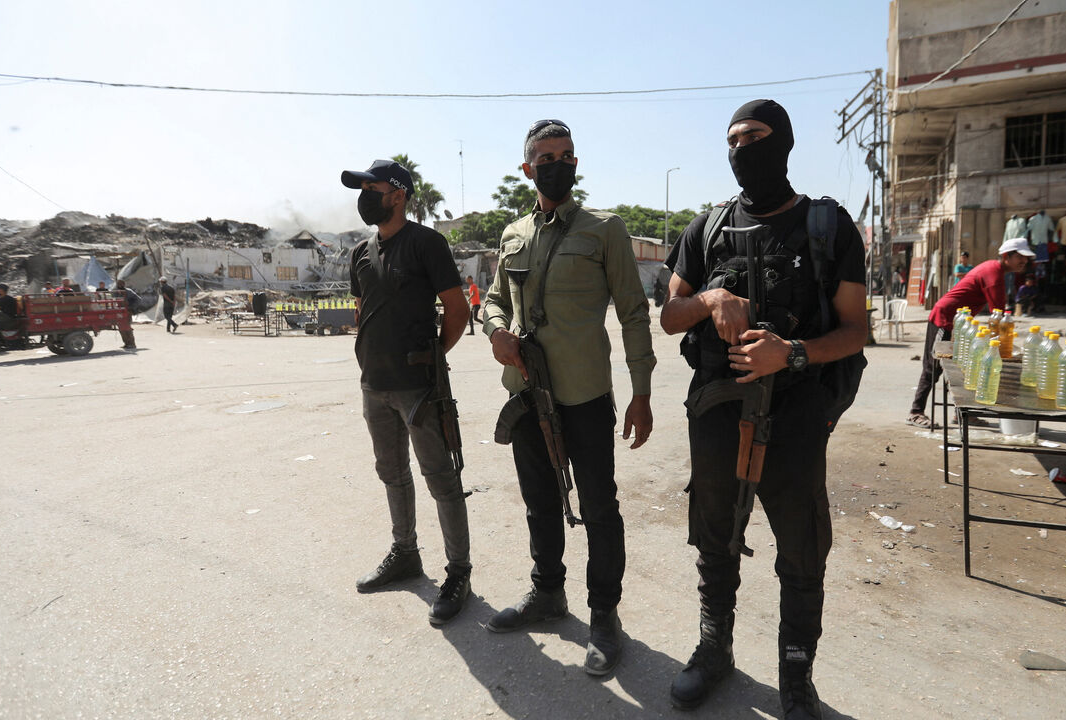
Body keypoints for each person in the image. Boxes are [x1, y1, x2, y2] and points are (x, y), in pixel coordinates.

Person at [660, 99, 867, 717]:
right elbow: (671, 316)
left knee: (802, 547)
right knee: (716, 537)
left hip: (798, 413)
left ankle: (796, 675)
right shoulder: (707, 228)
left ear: (785, 143)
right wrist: (712, 296)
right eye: (733, 139)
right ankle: (714, 649)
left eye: (755, 136)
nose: (742, 148)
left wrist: (793, 353)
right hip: (719, 410)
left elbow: (856, 329)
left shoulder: (827, 226)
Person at [482, 119, 654, 677]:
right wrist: (496, 331)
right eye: (546, 157)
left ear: (575, 164)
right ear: (527, 168)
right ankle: (548, 594)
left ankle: (604, 616)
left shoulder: (606, 229)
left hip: (584, 395)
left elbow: (632, 312)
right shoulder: (512, 234)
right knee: (538, 500)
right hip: (526, 393)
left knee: (599, 508)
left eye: (567, 155)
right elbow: (491, 299)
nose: (558, 164)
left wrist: (641, 392)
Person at [342, 159, 474, 625]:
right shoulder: (360, 251)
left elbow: (457, 309)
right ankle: (405, 553)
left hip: (419, 386)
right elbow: (363, 311)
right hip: (373, 385)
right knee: (392, 474)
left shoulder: (426, 243)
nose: (364, 195)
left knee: (440, 478)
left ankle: (459, 571)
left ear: (397, 194)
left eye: (370, 188)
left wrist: (434, 355)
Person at [906, 237, 1033, 429]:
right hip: (945, 318)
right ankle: (915, 412)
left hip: (960, 323)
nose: (1024, 261)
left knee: (959, 368)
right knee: (933, 367)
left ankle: (962, 413)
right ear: (1007, 256)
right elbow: (997, 315)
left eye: (1026, 257)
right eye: (1020, 257)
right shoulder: (994, 274)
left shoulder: (995, 269)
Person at [114, 279, 140, 350]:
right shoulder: (116, 292)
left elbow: (138, 299)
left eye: (121, 284)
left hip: (127, 312)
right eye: (118, 284)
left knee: (127, 328)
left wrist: (131, 308)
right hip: (119, 312)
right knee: (121, 328)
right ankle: (126, 343)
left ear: (123, 284)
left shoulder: (128, 291)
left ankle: (132, 343)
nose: (119, 285)